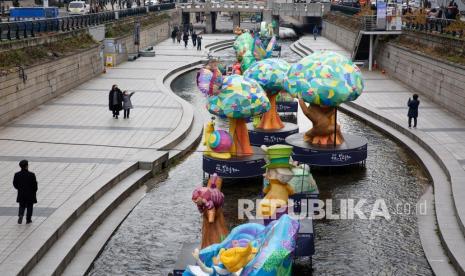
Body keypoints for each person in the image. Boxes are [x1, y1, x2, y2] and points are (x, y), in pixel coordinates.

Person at [13, 160, 37, 224]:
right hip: (30, 194)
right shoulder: (31, 175)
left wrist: (19, 188)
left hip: (21, 193)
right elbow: (35, 185)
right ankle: (28, 219)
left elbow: (15, 184)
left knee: (21, 205)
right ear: (26, 166)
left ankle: (21, 215)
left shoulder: (17, 174)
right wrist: (34, 191)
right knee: (29, 206)